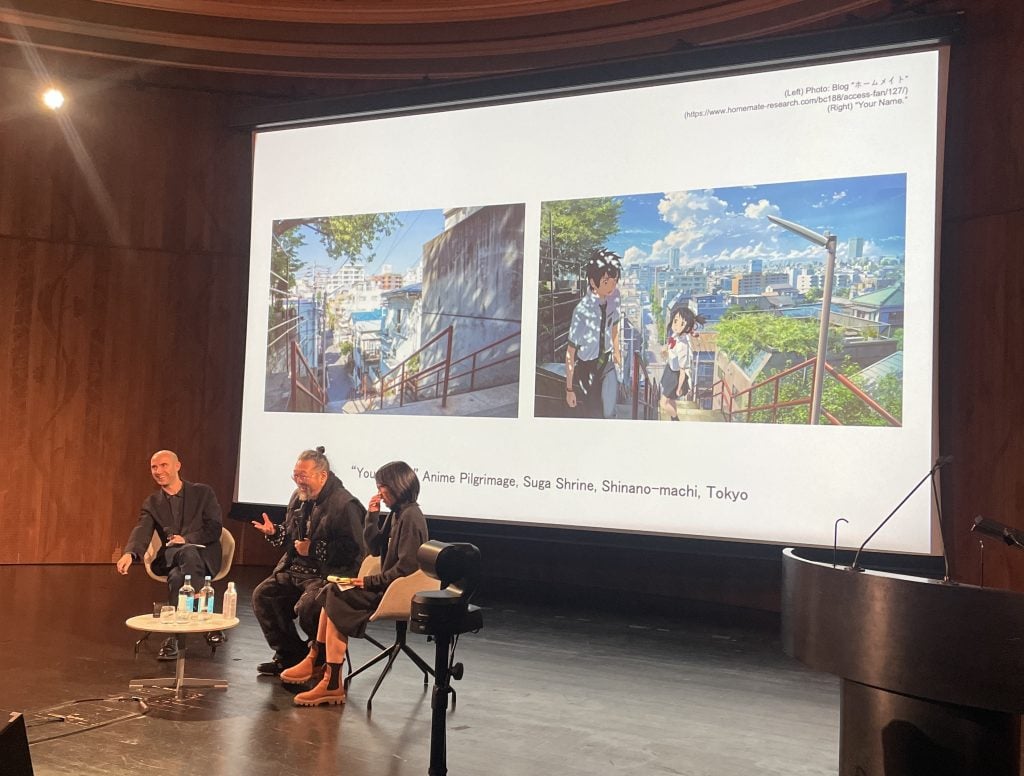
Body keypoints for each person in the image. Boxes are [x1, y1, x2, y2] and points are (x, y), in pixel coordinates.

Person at [280, 460, 429, 706]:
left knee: (338, 595)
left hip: (394, 591)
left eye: (383, 487)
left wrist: (367, 582)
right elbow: (374, 548)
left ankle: (330, 679)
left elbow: (406, 569)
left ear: (398, 486)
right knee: (331, 590)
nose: (380, 492)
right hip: (385, 585)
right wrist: (372, 517)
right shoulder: (398, 514)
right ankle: (319, 660)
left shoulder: (412, 517)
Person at [250, 447, 366, 676]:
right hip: (296, 569)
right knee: (263, 596)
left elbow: (355, 551)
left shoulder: (346, 504)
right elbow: (292, 536)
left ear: (322, 475)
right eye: (296, 475)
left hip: (327, 574)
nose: (299, 481)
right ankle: (290, 656)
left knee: (309, 606)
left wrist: (313, 548)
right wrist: (275, 532)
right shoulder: (299, 497)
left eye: (303, 476)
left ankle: (320, 659)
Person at [116, 450, 224, 660]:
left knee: (178, 576)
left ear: (177, 466)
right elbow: (142, 530)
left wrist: (187, 539)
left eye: (164, 465)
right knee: (185, 554)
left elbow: (214, 528)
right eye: (154, 467)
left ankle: (174, 639)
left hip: (204, 556)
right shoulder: (152, 503)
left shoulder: (203, 493)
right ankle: (207, 620)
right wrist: (130, 553)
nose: (158, 471)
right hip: (172, 555)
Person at [565, 248, 622, 419]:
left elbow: (615, 326)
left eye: (615, 280)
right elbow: (571, 351)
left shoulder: (615, 297)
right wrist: (569, 389)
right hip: (587, 367)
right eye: (606, 281)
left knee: (609, 411)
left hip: (607, 362)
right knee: (593, 412)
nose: (612, 285)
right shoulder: (582, 311)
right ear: (593, 282)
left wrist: (617, 351)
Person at [659, 305, 706, 421]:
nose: (676, 325)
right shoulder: (678, 334)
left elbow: (682, 371)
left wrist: (679, 387)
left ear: (687, 327)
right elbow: (685, 333)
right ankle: (674, 418)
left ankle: (675, 419)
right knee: (671, 400)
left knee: (663, 403)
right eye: (675, 321)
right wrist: (692, 332)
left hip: (675, 376)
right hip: (669, 370)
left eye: (681, 324)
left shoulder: (682, 347)